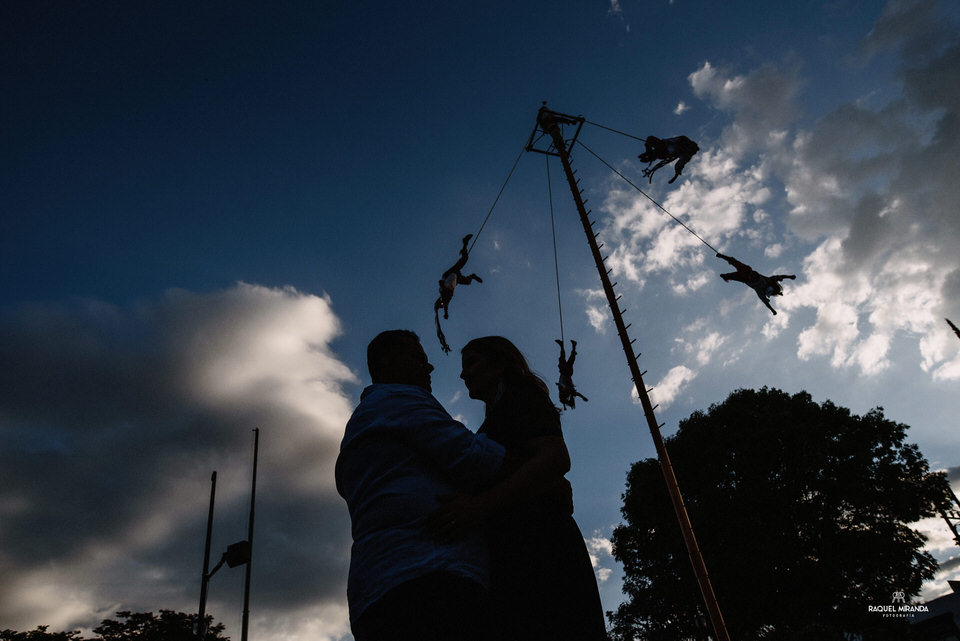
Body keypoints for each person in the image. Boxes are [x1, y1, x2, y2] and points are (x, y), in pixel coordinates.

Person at [429, 336, 607, 641]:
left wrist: (479, 507)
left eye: (472, 362)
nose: (463, 374)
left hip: (541, 548)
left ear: (500, 364)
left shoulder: (521, 397)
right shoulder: (497, 416)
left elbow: (555, 457)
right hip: (519, 549)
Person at [335, 330, 507, 641]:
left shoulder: (361, 422)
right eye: (417, 358)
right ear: (386, 362)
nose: (429, 368)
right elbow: (476, 462)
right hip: (432, 580)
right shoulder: (401, 400)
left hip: (373, 592)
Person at [434, 234, 483, 353]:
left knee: (464, 260)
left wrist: (442, 285)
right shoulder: (447, 297)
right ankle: (472, 275)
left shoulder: (444, 295)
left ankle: (465, 243)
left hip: (450, 274)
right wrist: (445, 313)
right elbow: (446, 305)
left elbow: (444, 299)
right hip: (456, 279)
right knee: (467, 282)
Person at [716, 252, 796, 315]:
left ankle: (726, 276)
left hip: (746, 279)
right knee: (735, 263)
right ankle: (723, 262)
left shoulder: (761, 292)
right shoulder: (769, 281)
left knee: (733, 274)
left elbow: (765, 303)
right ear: (772, 287)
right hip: (748, 272)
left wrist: (772, 310)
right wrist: (789, 277)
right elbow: (780, 277)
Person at [556, 338, 588, 410]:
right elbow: (574, 393)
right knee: (569, 360)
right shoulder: (569, 392)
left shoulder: (565, 396)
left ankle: (567, 346)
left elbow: (565, 396)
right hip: (566, 373)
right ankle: (573, 346)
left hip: (564, 372)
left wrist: (564, 406)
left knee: (564, 360)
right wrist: (583, 397)